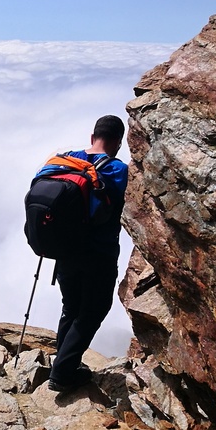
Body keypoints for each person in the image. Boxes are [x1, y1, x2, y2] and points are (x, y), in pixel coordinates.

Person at [48, 115, 129, 393]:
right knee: (93, 311)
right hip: (99, 253)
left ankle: (63, 362)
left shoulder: (65, 159)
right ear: (118, 142)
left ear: (93, 135)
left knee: (71, 307)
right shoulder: (117, 169)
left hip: (65, 251)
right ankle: (63, 372)